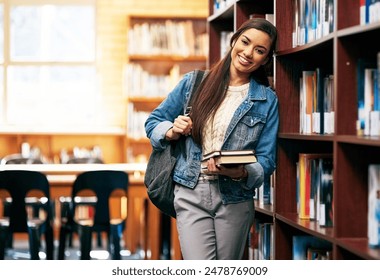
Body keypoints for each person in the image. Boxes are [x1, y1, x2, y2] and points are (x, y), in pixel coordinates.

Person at [145, 18, 278, 260]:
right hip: (191, 190)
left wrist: (243, 172)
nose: (248, 53)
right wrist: (172, 130)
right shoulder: (193, 83)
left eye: (259, 50)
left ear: (266, 60)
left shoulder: (267, 100)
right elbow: (153, 122)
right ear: (234, 40)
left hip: (235, 196)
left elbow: (267, 159)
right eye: (245, 42)